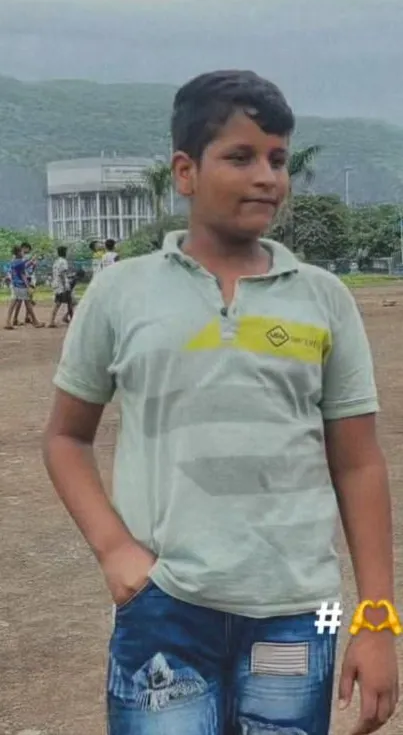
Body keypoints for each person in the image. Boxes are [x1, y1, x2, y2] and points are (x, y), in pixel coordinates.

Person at [43, 70, 398, 735]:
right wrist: (115, 549)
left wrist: (374, 618)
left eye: (278, 158)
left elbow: (358, 463)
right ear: (184, 171)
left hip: (303, 606)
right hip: (164, 605)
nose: (266, 175)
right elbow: (65, 437)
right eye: (240, 156)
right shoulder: (122, 293)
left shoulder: (323, 299)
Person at [5, 245, 43, 329]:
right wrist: (28, 286)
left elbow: (24, 265)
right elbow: (23, 275)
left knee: (14, 303)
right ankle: (35, 322)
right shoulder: (20, 262)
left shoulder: (14, 261)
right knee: (28, 303)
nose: (23, 253)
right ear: (18, 252)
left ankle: (8, 322)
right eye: (22, 251)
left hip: (15, 284)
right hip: (20, 285)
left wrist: (32, 260)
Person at [48, 246, 74, 328]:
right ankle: (51, 321)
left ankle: (70, 319)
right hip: (61, 285)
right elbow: (62, 274)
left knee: (69, 301)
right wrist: (65, 284)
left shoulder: (56, 261)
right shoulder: (63, 261)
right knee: (59, 302)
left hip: (56, 283)